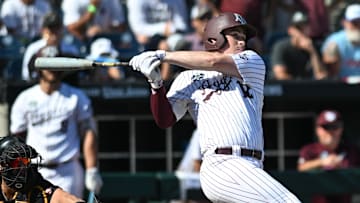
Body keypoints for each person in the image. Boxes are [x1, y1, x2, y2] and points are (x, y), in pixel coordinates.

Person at [129, 12, 301, 202]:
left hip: (252, 164)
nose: (242, 42)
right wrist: (156, 85)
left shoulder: (252, 62)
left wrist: (162, 56)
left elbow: (214, 61)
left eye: (243, 38)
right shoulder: (188, 77)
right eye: (235, 36)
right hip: (222, 163)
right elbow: (165, 119)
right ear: (215, 38)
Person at [10, 45, 103, 198]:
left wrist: (92, 169)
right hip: (35, 170)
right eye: (48, 64)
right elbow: (16, 140)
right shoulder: (25, 99)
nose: (52, 69)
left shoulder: (76, 97)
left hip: (67, 170)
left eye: (56, 64)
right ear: (39, 67)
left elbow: (88, 133)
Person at [298, 109, 360, 203]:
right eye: (326, 127)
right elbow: (301, 168)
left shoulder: (352, 150)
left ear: (341, 129)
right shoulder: (309, 150)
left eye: (334, 127)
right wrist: (322, 162)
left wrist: (342, 167)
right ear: (318, 130)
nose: (330, 132)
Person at [0, 136, 86, 203]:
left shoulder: (32, 182)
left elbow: (60, 197)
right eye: (15, 163)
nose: (21, 167)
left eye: (24, 161)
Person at [22, 11, 81, 82]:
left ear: (62, 29)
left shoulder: (71, 49)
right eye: (51, 29)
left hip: (65, 86)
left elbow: (78, 75)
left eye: (57, 29)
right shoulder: (33, 48)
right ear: (43, 30)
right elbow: (26, 75)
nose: (54, 33)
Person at [270, 11, 327, 80]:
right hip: (289, 88)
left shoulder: (314, 47)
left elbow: (321, 75)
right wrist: (299, 84)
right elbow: (280, 75)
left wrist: (312, 53)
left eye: (305, 27)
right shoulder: (281, 47)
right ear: (290, 30)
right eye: (299, 28)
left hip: (308, 88)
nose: (303, 31)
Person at [321, 3, 360, 83]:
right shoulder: (335, 41)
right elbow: (328, 73)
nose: (358, 26)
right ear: (344, 22)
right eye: (354, 22)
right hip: (342, 87)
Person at [61, 0, 127, 41]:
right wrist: (92, 8)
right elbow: (71, 28)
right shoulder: (72, 1)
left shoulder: (112, 1)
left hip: (107, 42)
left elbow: (120, 27)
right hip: (82, 43)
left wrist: (102, 31)